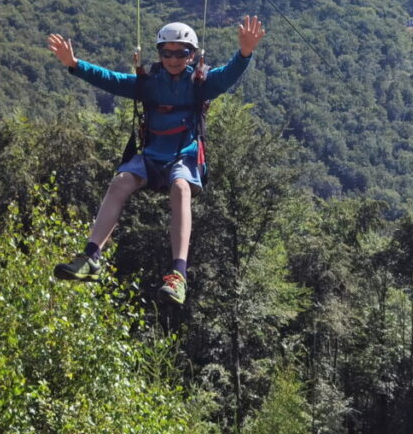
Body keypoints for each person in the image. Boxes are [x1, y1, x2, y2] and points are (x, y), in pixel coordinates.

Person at [46, 16, 265, 305]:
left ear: (193, 55)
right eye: (167, 53)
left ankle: (178, 274)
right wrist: (75, 65)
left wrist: (245, 53)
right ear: (159, 54)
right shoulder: (148, 83)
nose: (173, 59)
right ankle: (91, 257)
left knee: (181, 188)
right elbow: (112, 80)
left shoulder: (201, 83)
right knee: (120, 181)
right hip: (151, 155)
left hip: (183, 155)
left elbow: (227, 75)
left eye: (181, 53)